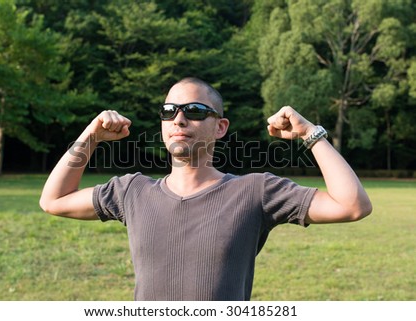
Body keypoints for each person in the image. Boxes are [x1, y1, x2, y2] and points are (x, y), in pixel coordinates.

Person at [39, 77, 372, 301]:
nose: (179, 120)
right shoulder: (131, 192)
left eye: (195, 111)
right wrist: (91, 136)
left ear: (220, 127)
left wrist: (310, 134)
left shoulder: (255, 191)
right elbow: (54, 200)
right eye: (169, 112)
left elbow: (352, 205)